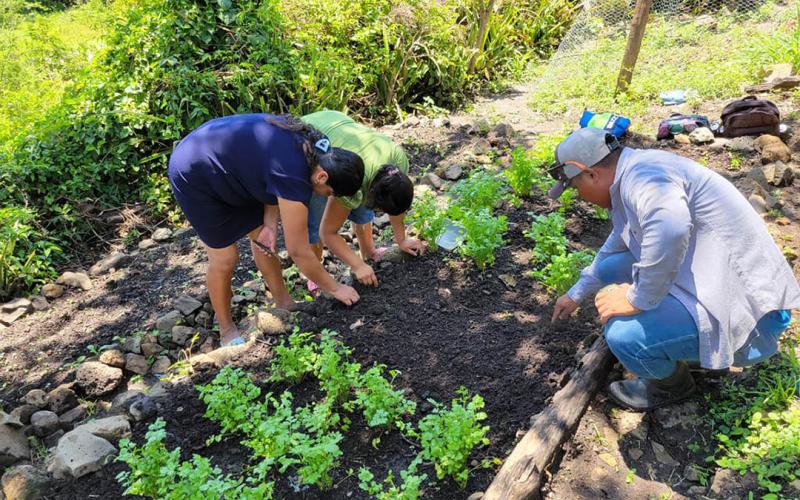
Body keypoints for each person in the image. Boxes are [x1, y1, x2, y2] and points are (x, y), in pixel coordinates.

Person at [548, 127, 800, 411]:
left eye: (575, 186)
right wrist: (576, 292)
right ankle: (679, 340)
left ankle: (671, 386)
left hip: (753, 321)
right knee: (610, 266)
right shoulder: (635, 170)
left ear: (590, 173)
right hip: (720, 282)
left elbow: (671, 228)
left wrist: (635, 299)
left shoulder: (644, 179)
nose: (579, 195)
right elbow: (618, 240)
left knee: (622, 335)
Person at [168, 113, 364, 347]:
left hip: (234, 168)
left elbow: (268, 166)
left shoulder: (318, 150)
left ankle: (283, 302)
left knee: (263, 237)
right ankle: (226, 329)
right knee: (225, 258)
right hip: (196, 172)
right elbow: (298, 250)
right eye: (330, 193)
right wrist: (335, 288)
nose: (326, 197)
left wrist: (270, 223)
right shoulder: (295, 171)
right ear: (322, 177)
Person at [302, 110, 425, 288]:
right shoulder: (348, 182)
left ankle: (368, 251)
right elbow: (328, 232)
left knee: (361, 210)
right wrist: (357, 266)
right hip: (312, 137)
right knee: (315, 220)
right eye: (379, 210)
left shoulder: (398, 165)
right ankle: (317, 275)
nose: (379, 213)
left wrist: (401, 239)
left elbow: (396, 205)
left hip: (340, 128)